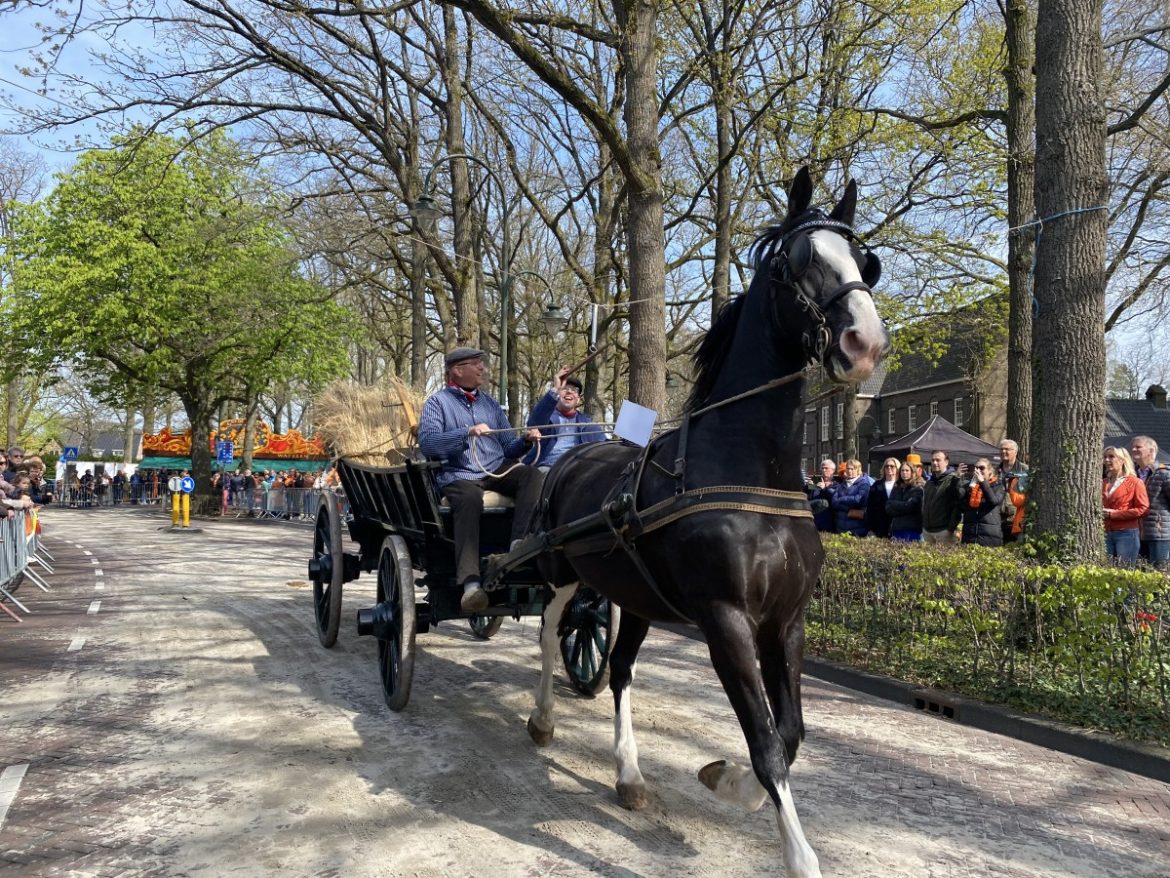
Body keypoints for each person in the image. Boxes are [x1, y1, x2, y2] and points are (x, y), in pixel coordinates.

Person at [418, 347, 543, 613]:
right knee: (469, 498)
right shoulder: (437, 403)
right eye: (476, 364)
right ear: (457, 370)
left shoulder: (490, 404)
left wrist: (525, 441)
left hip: (496, 469)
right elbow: (428, 444)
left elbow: (508, 447)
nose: (482, 369)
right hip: (459, 474)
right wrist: (466, 433)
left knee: (532, 475)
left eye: (481, 364)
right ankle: (470, 583)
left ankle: (518, 547)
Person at [525, 366, 605, 470]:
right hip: (548, 466)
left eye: (574, 390)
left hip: (577, 468)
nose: (569, 392)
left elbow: (604, 444)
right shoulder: (546, 416)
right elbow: (533, 423)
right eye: (565, 389)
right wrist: (556, 388)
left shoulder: (587, 424)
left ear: (578, 400)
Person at [1102, 446, 1149, 567]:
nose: (1106, 460)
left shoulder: (1135, 482)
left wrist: (1114, 514)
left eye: (1111, 456)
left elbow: (1143, 509)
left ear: (1122, 460)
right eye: (1105, 457)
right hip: (1104, 533)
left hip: (1126, 534)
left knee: (1123, 574)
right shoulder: (1102, 483)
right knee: (1106, 573)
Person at [1130, 435, 1170, 569]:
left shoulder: (1163, 473)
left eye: (1138, 447)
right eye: (1133, 447)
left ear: (1151, 451)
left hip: (1159, 534)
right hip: (1137, 532)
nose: (1133, 450)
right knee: (1140, 575)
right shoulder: (1132, 474)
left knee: (1159, 573)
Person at [957, 457, 1005, 547]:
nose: (978, 471)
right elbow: (959, 502)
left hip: (989, 538)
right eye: (976, 468)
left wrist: (983, 482)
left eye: (982, 468)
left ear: (990, 470)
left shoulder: (998, 485)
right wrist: (958, 479)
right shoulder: (970, 486)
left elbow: (993, 501)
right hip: (970, 536)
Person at [921, 450, 962, 544]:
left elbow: (957, 506)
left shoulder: (953, 480)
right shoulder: (929, 483)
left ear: (946, 462)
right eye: (933, 460)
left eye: (938, 460)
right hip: (928, 532)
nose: (935, 463)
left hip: (944, 532)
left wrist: (950, 529)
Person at [997, 439, 1029, 544]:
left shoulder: (1025, 470)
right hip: (996, 521)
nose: (1003, 452)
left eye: (1007, 449)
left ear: (1015, 452)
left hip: (1016, 521)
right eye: (1001, 449)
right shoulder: (994, 471)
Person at [830, 458, 872, 536]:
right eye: (848, 469)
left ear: (858, 470)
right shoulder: (842, 484)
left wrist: (841, 499)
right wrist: (848, 507)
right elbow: (834, 502)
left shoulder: (864, 484)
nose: (849, 471)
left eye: (852, 469)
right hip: (840, 527)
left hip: (857, 527)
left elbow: (858, 500)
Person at [886, 460, 925, 541]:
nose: (904, 473)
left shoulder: (918, 487)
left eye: (907, 470)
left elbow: (910, 507)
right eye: (902, 470)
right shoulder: (897, 486)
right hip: (896, 529)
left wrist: (893, 503)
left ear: (912, 472)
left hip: (912, 529)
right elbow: (888, 508)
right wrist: (903, 506)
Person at [863, 457, 900, 538]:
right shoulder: (876, 486)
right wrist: (870, 528)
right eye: (887, 466)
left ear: (897, 468)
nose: (889, 468)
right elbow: (870, 508)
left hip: (896, 526)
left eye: (892, 466)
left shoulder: (901, 485)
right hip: (879, 527)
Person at [805, 458, 838, 533]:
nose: (823, 470)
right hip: (814, 519)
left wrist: (825, 488)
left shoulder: (836, 483)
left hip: (828, 520)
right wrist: (807, 487)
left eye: (826, 468)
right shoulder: (816, 481)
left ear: (833, 470)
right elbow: (806, 496)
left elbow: (834, 498)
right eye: (822, 468)